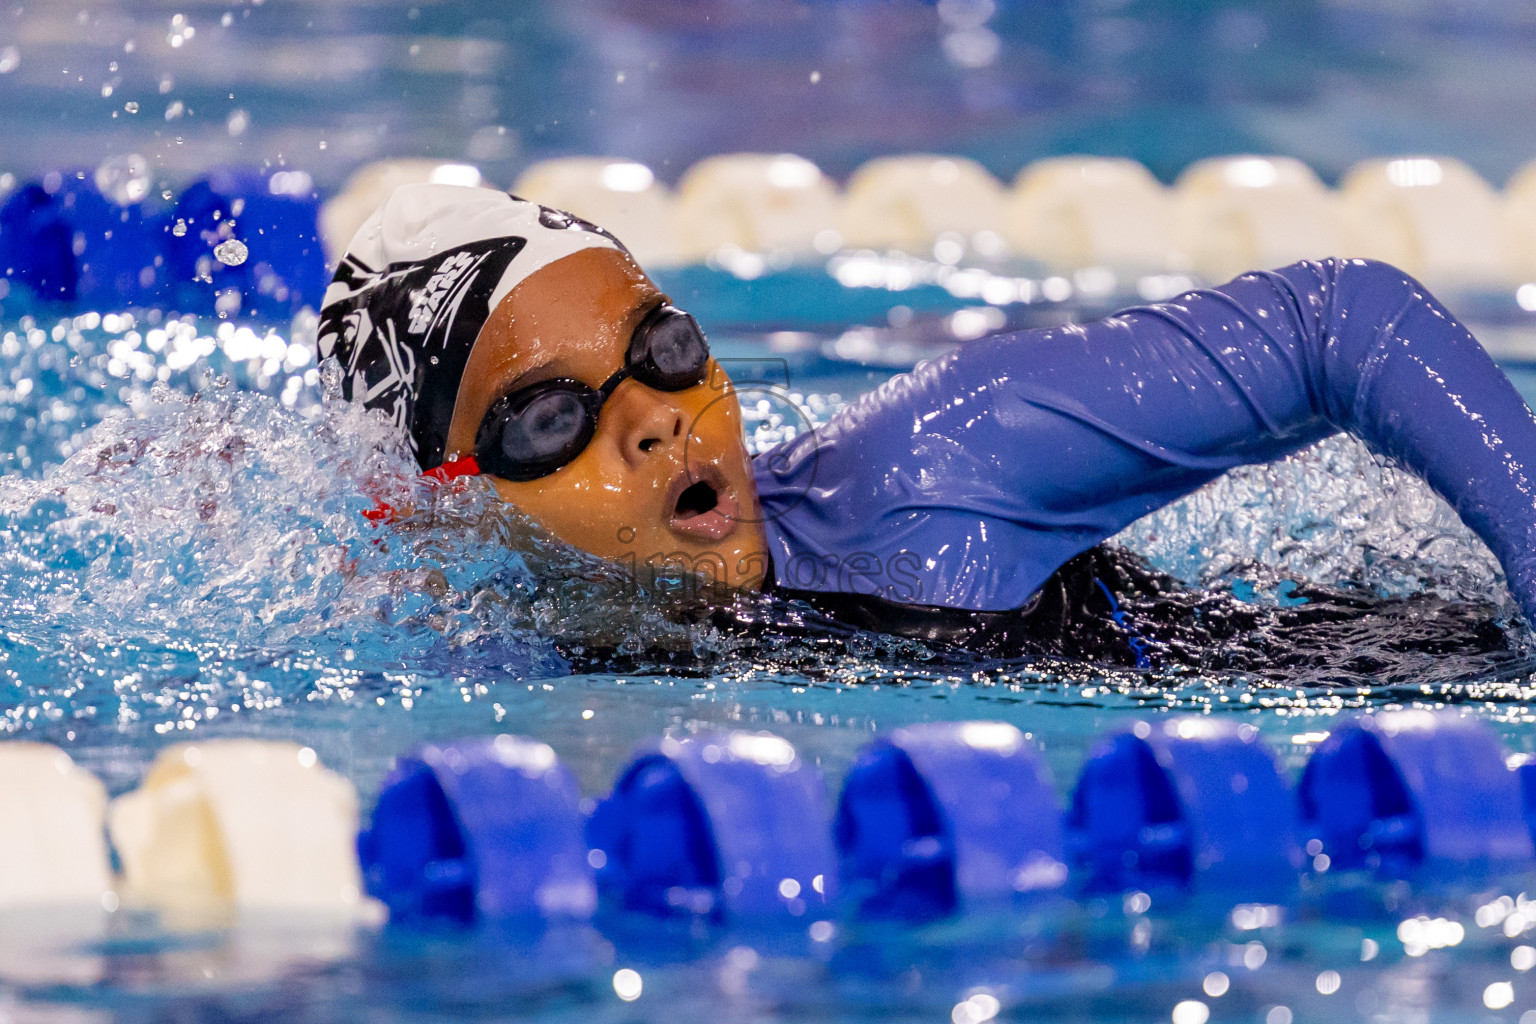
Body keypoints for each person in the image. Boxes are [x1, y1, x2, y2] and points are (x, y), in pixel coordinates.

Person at [318, 183, 1536, 673]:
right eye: (547, 417)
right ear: (444, 494)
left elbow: (1346, 318)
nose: (657, 423)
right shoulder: (448, 642)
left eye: (665, 350)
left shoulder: (938, 467)